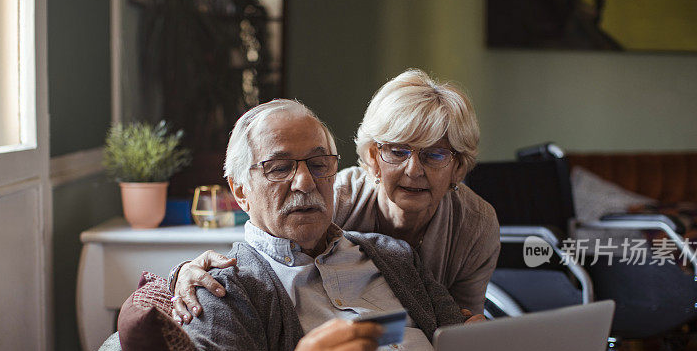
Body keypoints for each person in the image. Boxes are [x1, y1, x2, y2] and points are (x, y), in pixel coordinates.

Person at [185, 99, 611, 351]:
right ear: (239, 190)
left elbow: (469, 344)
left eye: (318, 164)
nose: (305, 181)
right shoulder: (227, 288)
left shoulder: (393, 255)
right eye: (279, 167)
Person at [170, 69, 499, 322]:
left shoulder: (475, 225)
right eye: (398, 151)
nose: (414, 170)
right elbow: (262, 241)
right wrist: (187, 270)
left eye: (435, 155)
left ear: (458, 166)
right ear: (372, 157)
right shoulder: (332, 199)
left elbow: (458, 327)